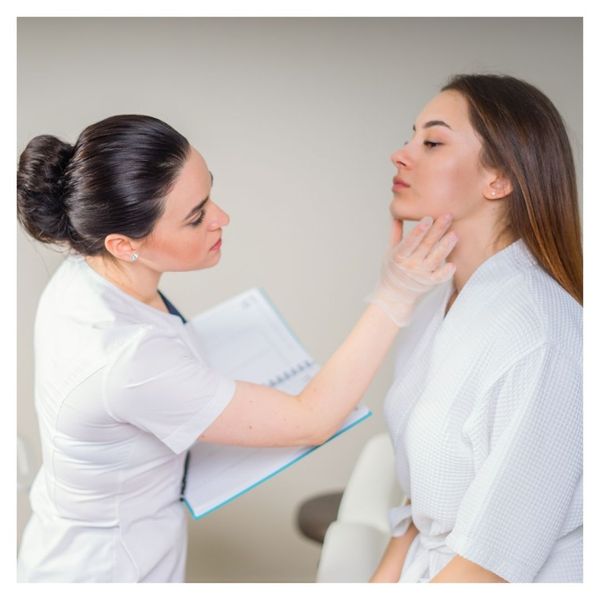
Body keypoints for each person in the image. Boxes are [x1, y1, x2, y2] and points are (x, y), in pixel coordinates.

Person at [16, 114, 457, 582]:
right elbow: (313, 420)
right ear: (124, 244)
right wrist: (395, 294)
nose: (221, 218)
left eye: (209, 194)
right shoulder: (129, 358)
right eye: (197, 216)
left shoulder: (87, 268)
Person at [369, 73, 582, 584]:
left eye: (433, 142)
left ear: (499, 179)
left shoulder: (544, 339)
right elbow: (420, 505)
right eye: (410, 136)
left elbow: (490, 567)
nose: (400, 155)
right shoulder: (436, 304)